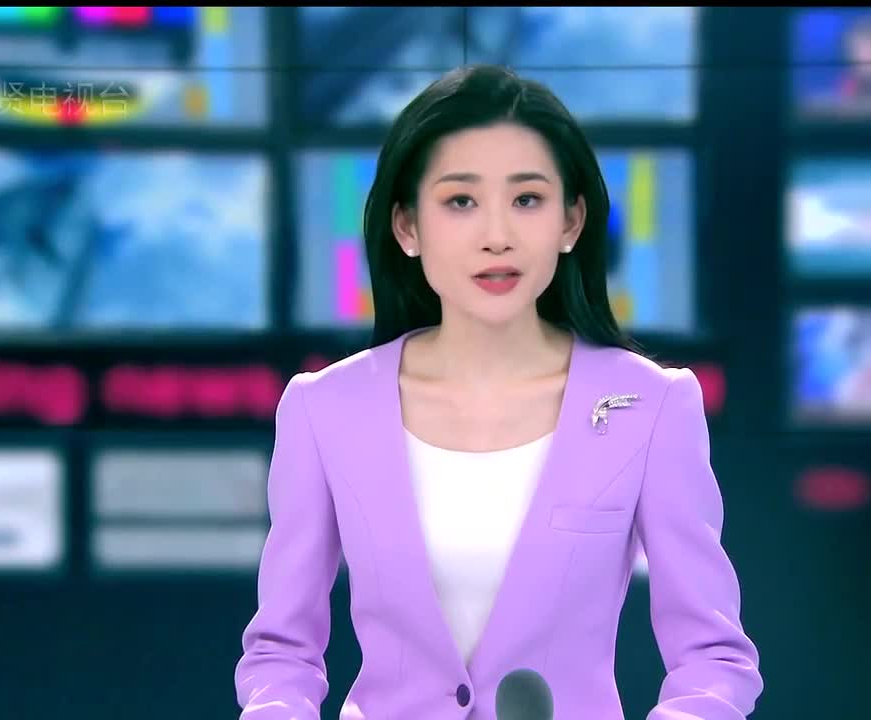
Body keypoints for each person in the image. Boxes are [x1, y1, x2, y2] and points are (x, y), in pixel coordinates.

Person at [233, 65, 762, 719]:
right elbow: (281, 652)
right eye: (461, 201)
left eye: (527, 200)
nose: (497, 236)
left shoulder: (650, 407)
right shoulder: (324, 409)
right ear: (407, 226)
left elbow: (713, 658)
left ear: (571, 221)